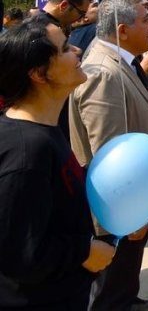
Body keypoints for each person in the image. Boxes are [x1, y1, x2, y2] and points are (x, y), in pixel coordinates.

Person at [0, 19, 116, 309]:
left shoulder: (47, 130)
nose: (77, 50)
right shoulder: (27, 152)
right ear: (39, 73)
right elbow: (19, 251)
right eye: (64, 48)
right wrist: (84, 252)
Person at [68, 0, 148, 311]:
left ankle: (127, 299)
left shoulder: (121, 63)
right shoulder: (103, 72)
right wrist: (128, 212)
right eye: (145, 20)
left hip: (133, 196)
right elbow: (107, 151)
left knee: (125, 270)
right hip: (121, 202)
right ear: (122, 30)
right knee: (109, 283)